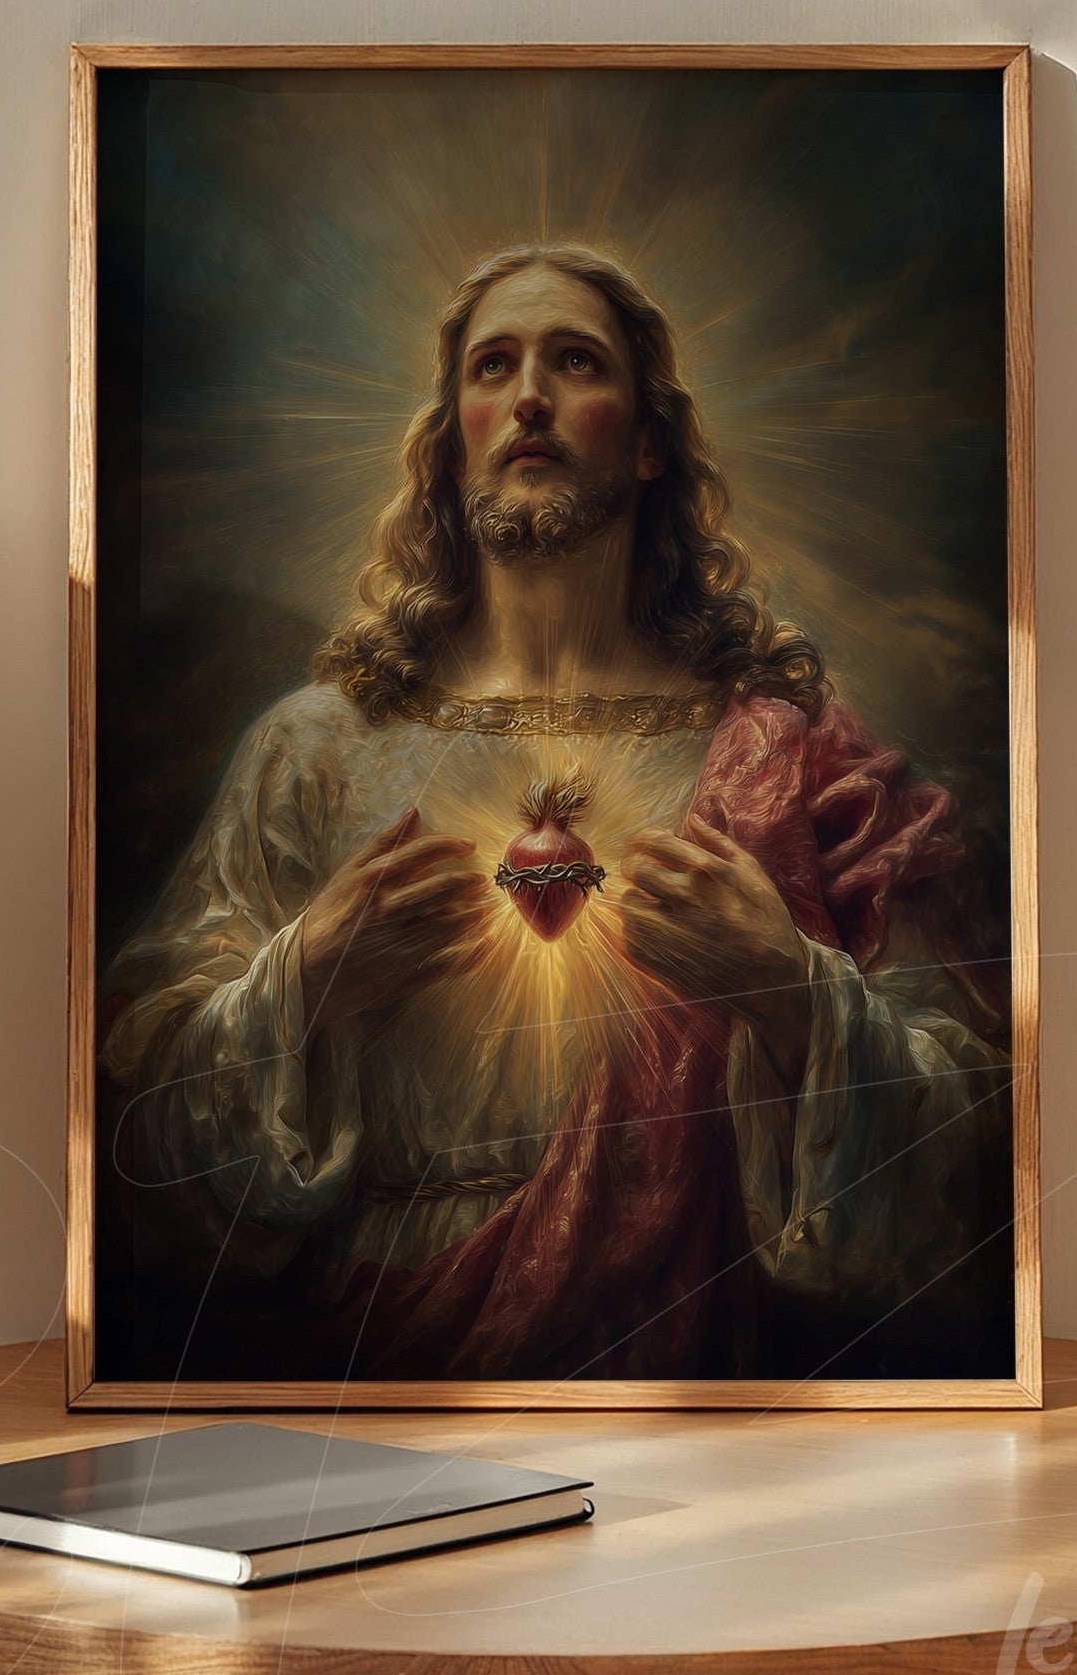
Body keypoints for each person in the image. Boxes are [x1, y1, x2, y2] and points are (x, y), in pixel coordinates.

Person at [101, 243, 1012, 1381]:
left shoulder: (797, 751)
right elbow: (141, 1145)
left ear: (644, 443)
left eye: (571, 360)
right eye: (492, 367)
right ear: (452, 443)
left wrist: (785, 989)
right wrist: (308, 976)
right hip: (370, 1378)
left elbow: (975, 1136)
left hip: (695, 1374)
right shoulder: (318, 748)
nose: (526, 394)